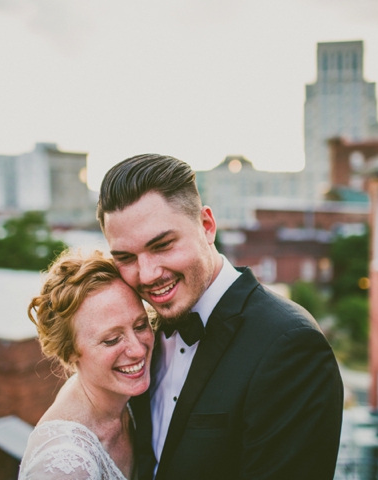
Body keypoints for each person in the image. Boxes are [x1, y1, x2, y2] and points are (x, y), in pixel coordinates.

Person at [97, 154, 344, 480]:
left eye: (162, 245)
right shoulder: (142, 333)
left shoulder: (291, 346)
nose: (146, 274)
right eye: (126, 257)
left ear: (207, 226)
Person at [19, 250, 154, 480]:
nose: (139, 350)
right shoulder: (64, 466)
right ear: (70, 352)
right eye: (111, 339)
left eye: (141, 325)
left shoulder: (113, 397)